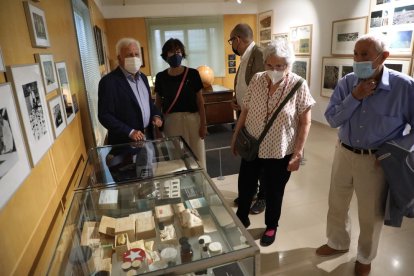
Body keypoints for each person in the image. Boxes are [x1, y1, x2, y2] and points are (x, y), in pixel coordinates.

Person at [316, 33, 414, 276]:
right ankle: (337, 242)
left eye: (365, 55)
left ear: (384, 57)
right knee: (336, 203)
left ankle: (365, 257)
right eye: (355, 54)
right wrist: (355, 97)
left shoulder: (404, 87)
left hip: (377, 160)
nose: (358, 59)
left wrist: (395, 152)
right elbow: (331, 119)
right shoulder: (347, 82)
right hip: (343, 152)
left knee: (371, 213)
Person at [230, 39, 314, 246]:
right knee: (246, 185)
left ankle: (271, 225)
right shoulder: (257, 79)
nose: (274, 70)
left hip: (279, 150)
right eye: (270, 65)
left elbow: (305, 122)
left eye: (280, 66)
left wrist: (298, 153)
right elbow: (245, 110)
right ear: (265, 62)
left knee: (274, 191)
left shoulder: (298, 85)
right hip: (252, 146)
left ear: (289, 65)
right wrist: (235, 136)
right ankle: (242, 217)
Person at [228, 23, 266, 214]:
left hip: (259, 120)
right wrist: (238, 101)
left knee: (260, 160)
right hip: (246, 117)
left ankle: (262, 197)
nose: (231, 46)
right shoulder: (245, 57)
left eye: (231, 41)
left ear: (237, 39)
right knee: (250, 157)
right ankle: (251, 192)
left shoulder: (259, 53)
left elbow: (264, 88)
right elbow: (245, 85)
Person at [98, 37, 163, 145]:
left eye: (136, 54)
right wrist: (129, 132)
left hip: (148, 138)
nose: (134, 58)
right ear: (119, 58)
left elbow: (149, 104)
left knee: (150, 162)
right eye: (129, 55)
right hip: (125, 143)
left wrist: (156, 116)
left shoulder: (143, 78)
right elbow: (105, 115)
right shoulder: (109, 82)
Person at [154, 38, 207, 168]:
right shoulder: (161, 77)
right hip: (171, 122)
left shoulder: (193, 74)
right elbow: (158, 103)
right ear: (165, 55)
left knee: (197, 156)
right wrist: (157, 128)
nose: (176, 54)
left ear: (182, 53)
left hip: (193, 120)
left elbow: (200, 101)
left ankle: (200, 184)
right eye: (171, 52)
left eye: (178, 51)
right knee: (176, 159)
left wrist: (203, 125)